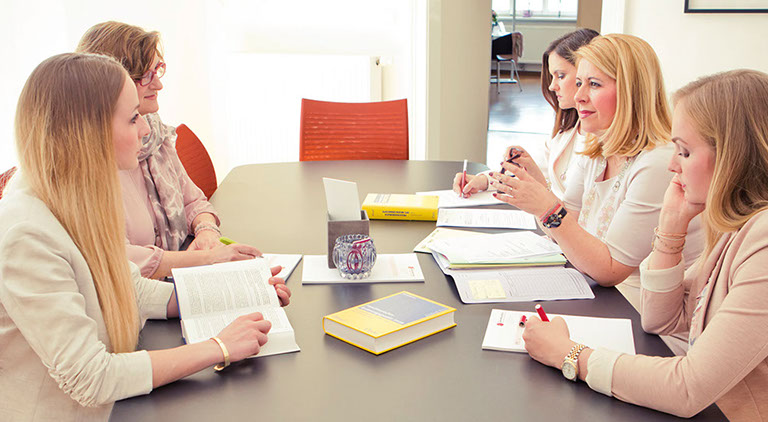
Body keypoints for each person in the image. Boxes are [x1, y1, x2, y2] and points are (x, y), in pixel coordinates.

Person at [0, 53, 290, 421]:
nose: (145, 130)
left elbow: (129, 288)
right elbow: (90, 378)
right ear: (89, 133)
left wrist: (237, 293)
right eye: (133, 118)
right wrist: (219, 346)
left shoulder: (76, 193)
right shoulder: (25, 234)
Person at [522, 69, 768, 421]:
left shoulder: (762, 240)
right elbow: (660, 320)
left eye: (684, 152)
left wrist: (570, 355)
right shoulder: (734, 225)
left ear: (733, 156)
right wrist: (671, 228)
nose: (672, 164)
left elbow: (687, 388)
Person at [489, 34, 704, 307]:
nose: (579, 96)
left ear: (631, 92)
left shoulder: (657, 163)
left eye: (594, 84)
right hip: (602, 293)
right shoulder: (598, 148)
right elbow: (566, 225)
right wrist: (537, 195)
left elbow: (610, 270)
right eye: (579, 83)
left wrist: (545, 207)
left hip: (641, 306)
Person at [76, 21, 260, 279]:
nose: (158, 85)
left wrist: (207, 233)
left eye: (158, 70)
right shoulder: (88, 165)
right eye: (145, 75)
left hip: (176, 278)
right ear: (110, 83)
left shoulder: (154, 134)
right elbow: (120, 261)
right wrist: (204, 259)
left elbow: (193, 201)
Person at [453, 28, 599, 200]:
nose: (552, 86)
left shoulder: (601, 143)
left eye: (560, 76)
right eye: (552, 76)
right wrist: (484, 180)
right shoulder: (567, 132)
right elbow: (539, 174)